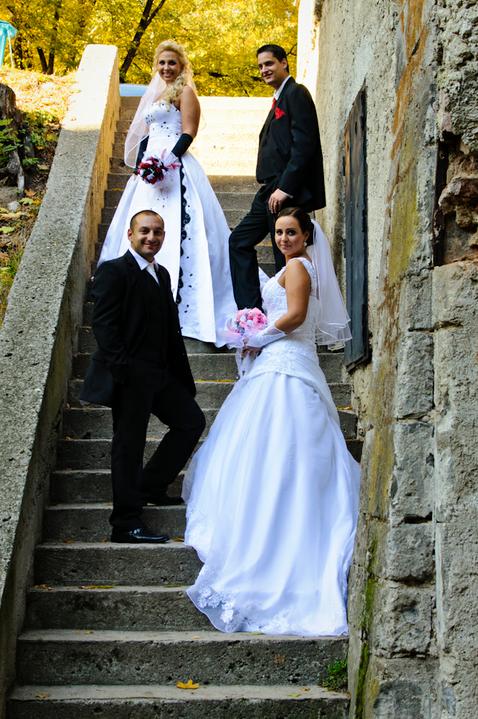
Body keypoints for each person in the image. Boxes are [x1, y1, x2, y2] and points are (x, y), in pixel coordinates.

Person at [183, 207, 360, 635]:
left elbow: (295, 316)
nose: (283, 239)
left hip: (288, 363)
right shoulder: (293, 266)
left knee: (283, 447)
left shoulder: (298, 267)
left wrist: (258, 336)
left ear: (306, 236)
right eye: (279, 232)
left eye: (291, 232)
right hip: (283, 360)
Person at [98, 40, 236, 347]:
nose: (166, 68)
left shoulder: (185, 93)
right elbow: (147, 135)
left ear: (182, 65)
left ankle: (179, 301)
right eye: (162, 62)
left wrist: (166, 162)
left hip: (175, 168)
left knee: (180, 229)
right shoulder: (155, 94)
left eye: (172, 62)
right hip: (150, 172)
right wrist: (143, 166)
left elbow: (188, 132)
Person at [81, 210, 206, 543]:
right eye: (145, 231)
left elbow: (168, 328)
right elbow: (104, 326)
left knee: (191, 421)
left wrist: (177, 375)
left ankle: (151, 485)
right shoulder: (113, 271)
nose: (152, 237)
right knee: (129, 446)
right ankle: (125, 523)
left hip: (160, 374)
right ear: (130, 234)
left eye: (158, 232)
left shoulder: (161, 273)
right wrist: (125, 370)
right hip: (129, 375)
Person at [229, 43, 326, 311]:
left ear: (284, 62)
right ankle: (252, 311)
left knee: (284, 253)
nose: (264, 70)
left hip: (286, 190)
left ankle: (290, 313)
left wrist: (285, 188)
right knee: (238, 241)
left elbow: (304, 145)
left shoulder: (296, 93)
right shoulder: (279, 99)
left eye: (269, 63)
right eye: (260, 66)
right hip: (269, 190)